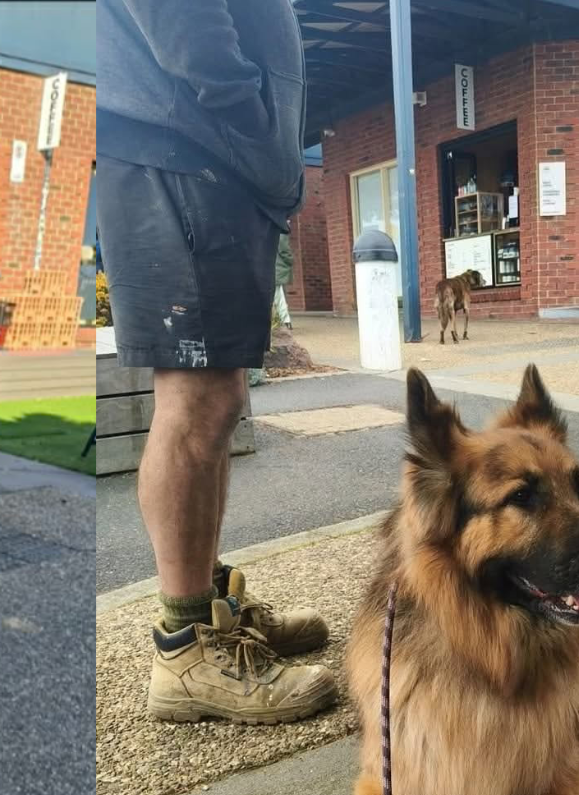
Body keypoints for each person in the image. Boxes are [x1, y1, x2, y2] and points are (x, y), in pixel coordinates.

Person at [100, 0, 336, 724]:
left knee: (218, 397)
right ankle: (184, 650)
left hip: (194, 150)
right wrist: (250, 125)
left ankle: (205, 611)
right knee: (197, 400)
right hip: (182, 146)